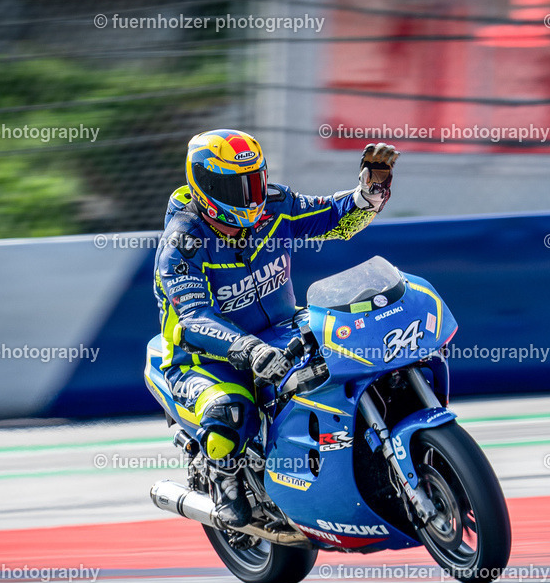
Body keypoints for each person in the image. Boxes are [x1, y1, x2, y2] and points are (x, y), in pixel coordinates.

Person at [153, 129, 398, 527]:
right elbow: (193, 318)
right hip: (205, 357)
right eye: (236, 187)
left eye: (255, 181)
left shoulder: (276, 206)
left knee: (357, 358)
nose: (251, 197)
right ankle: (225, 479)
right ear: (206, 186)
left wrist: (369, 193)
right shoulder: (183, 244)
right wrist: (248, 350)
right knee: (228, 410)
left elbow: (337, 221)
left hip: (283, 329)